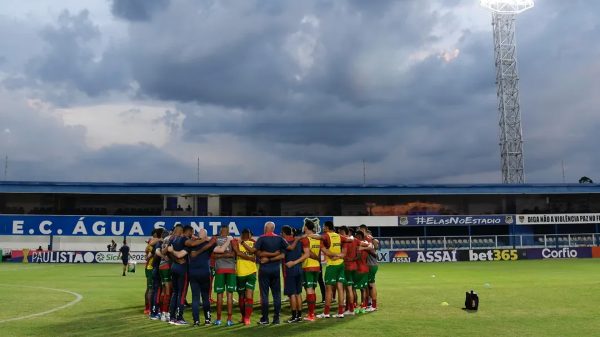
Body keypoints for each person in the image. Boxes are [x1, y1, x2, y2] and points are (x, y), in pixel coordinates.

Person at [170, 228, 216, 326]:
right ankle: (207, 320)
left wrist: (172, 251)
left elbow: (180, 254)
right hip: (205, 273)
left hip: (193, 274)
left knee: (195, 298)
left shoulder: (192, 244)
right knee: (205, 297)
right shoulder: (208, 244)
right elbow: (219, 250)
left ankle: (196, 321)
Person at [253, 221, 288, 325]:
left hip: (264, 270)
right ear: (273, 228)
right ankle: (276, 319)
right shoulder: (280, 239)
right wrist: (273, 257)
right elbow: (284, 254)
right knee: (277, 295)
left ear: (265, 228)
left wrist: (266, 258)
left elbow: (256, 252)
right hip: (276, 270)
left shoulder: (261, 238)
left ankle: (265, 319)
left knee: (264, 295)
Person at [317, 221, 346, 319]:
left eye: (324, 226)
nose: (323, 228)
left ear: (327, 227)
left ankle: (326, 313)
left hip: (332, 266)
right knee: (340, 289)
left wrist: (333, 255)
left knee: (328, 290)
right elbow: (344, 251)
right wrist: (338, 255)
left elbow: (325, 251)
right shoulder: (339, 236)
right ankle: (341, 312)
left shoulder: (325, 236)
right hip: (341, 264)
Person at [282, 226, 308, 323]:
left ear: (284, 233)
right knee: (298, 293)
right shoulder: (299, 242)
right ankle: (299, 316)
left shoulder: (284, 243)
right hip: (299, 269)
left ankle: (293, 317)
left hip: (290, 270)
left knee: (292, 294)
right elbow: (305, 255)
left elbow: (282, 255)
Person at [231, 229, 257, 326]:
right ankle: (247, 318)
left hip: (241, 273)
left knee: (242, 296)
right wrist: (250, 258)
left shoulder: (237, 242)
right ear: (250, 235)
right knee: (248, 296)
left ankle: (244, 317)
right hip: (251, 271)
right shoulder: (254, 243)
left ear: (242, 235)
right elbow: (241, 253)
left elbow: (237, 252)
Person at [212, 225, 237, 326]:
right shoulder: (232, 240)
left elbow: (213, 255)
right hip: (231, 269)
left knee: (219, 295)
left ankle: (218, 320)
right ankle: (229, 320)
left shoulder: (215, 240)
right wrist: (227, 254)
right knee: (230, 295)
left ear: (220, 231)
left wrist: (220, 255)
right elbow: (234, 254)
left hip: (220, 269)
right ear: (228, 231)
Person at [167, 225, 189, 325]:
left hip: (173, 267)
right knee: (181, 293)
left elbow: (168, 252)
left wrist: (175, 260)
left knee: (175, 293)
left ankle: (171, 317)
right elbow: (180, 254)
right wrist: (179, 259)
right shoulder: (184, 239)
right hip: (182, 269)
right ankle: (179, 318)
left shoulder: (171, 239)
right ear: (182, 231)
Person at [300, 219, 321, 321]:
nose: (303, 228)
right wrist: (317, 259)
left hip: (308, 266)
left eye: (304, 226)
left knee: (309, 290)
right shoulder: (318, 238)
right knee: (312, 289)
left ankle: (311, 315)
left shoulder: (305, 239)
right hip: (317, 267)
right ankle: (313, 313)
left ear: (306, 227)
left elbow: (307, 253)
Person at [354, 231, 373, 313]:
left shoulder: (357, 245)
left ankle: (355, 306)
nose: (355, 237)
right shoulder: (366, 244)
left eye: (356, 236)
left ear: (359, 236)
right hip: (365, 268)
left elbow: (356, 257)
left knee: (353, 288)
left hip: (357, 269)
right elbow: (371, 246)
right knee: (363, 288)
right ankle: (363, 306)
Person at [149, 229, 165, 320]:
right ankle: (154, 312)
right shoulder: (159, 243)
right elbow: (156, 251)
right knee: (157, 291)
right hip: (158, 269)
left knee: (155, 290)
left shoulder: (158, 243)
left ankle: (153, 310)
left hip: (155, 268)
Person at [144, 229, 161, 315]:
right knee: (150, 288)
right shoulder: (152, 243)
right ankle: (148, 308)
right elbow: (148, 255)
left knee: (152, 288)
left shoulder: (153, 242)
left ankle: (150, 307)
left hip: (152, 267)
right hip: (150, 267)